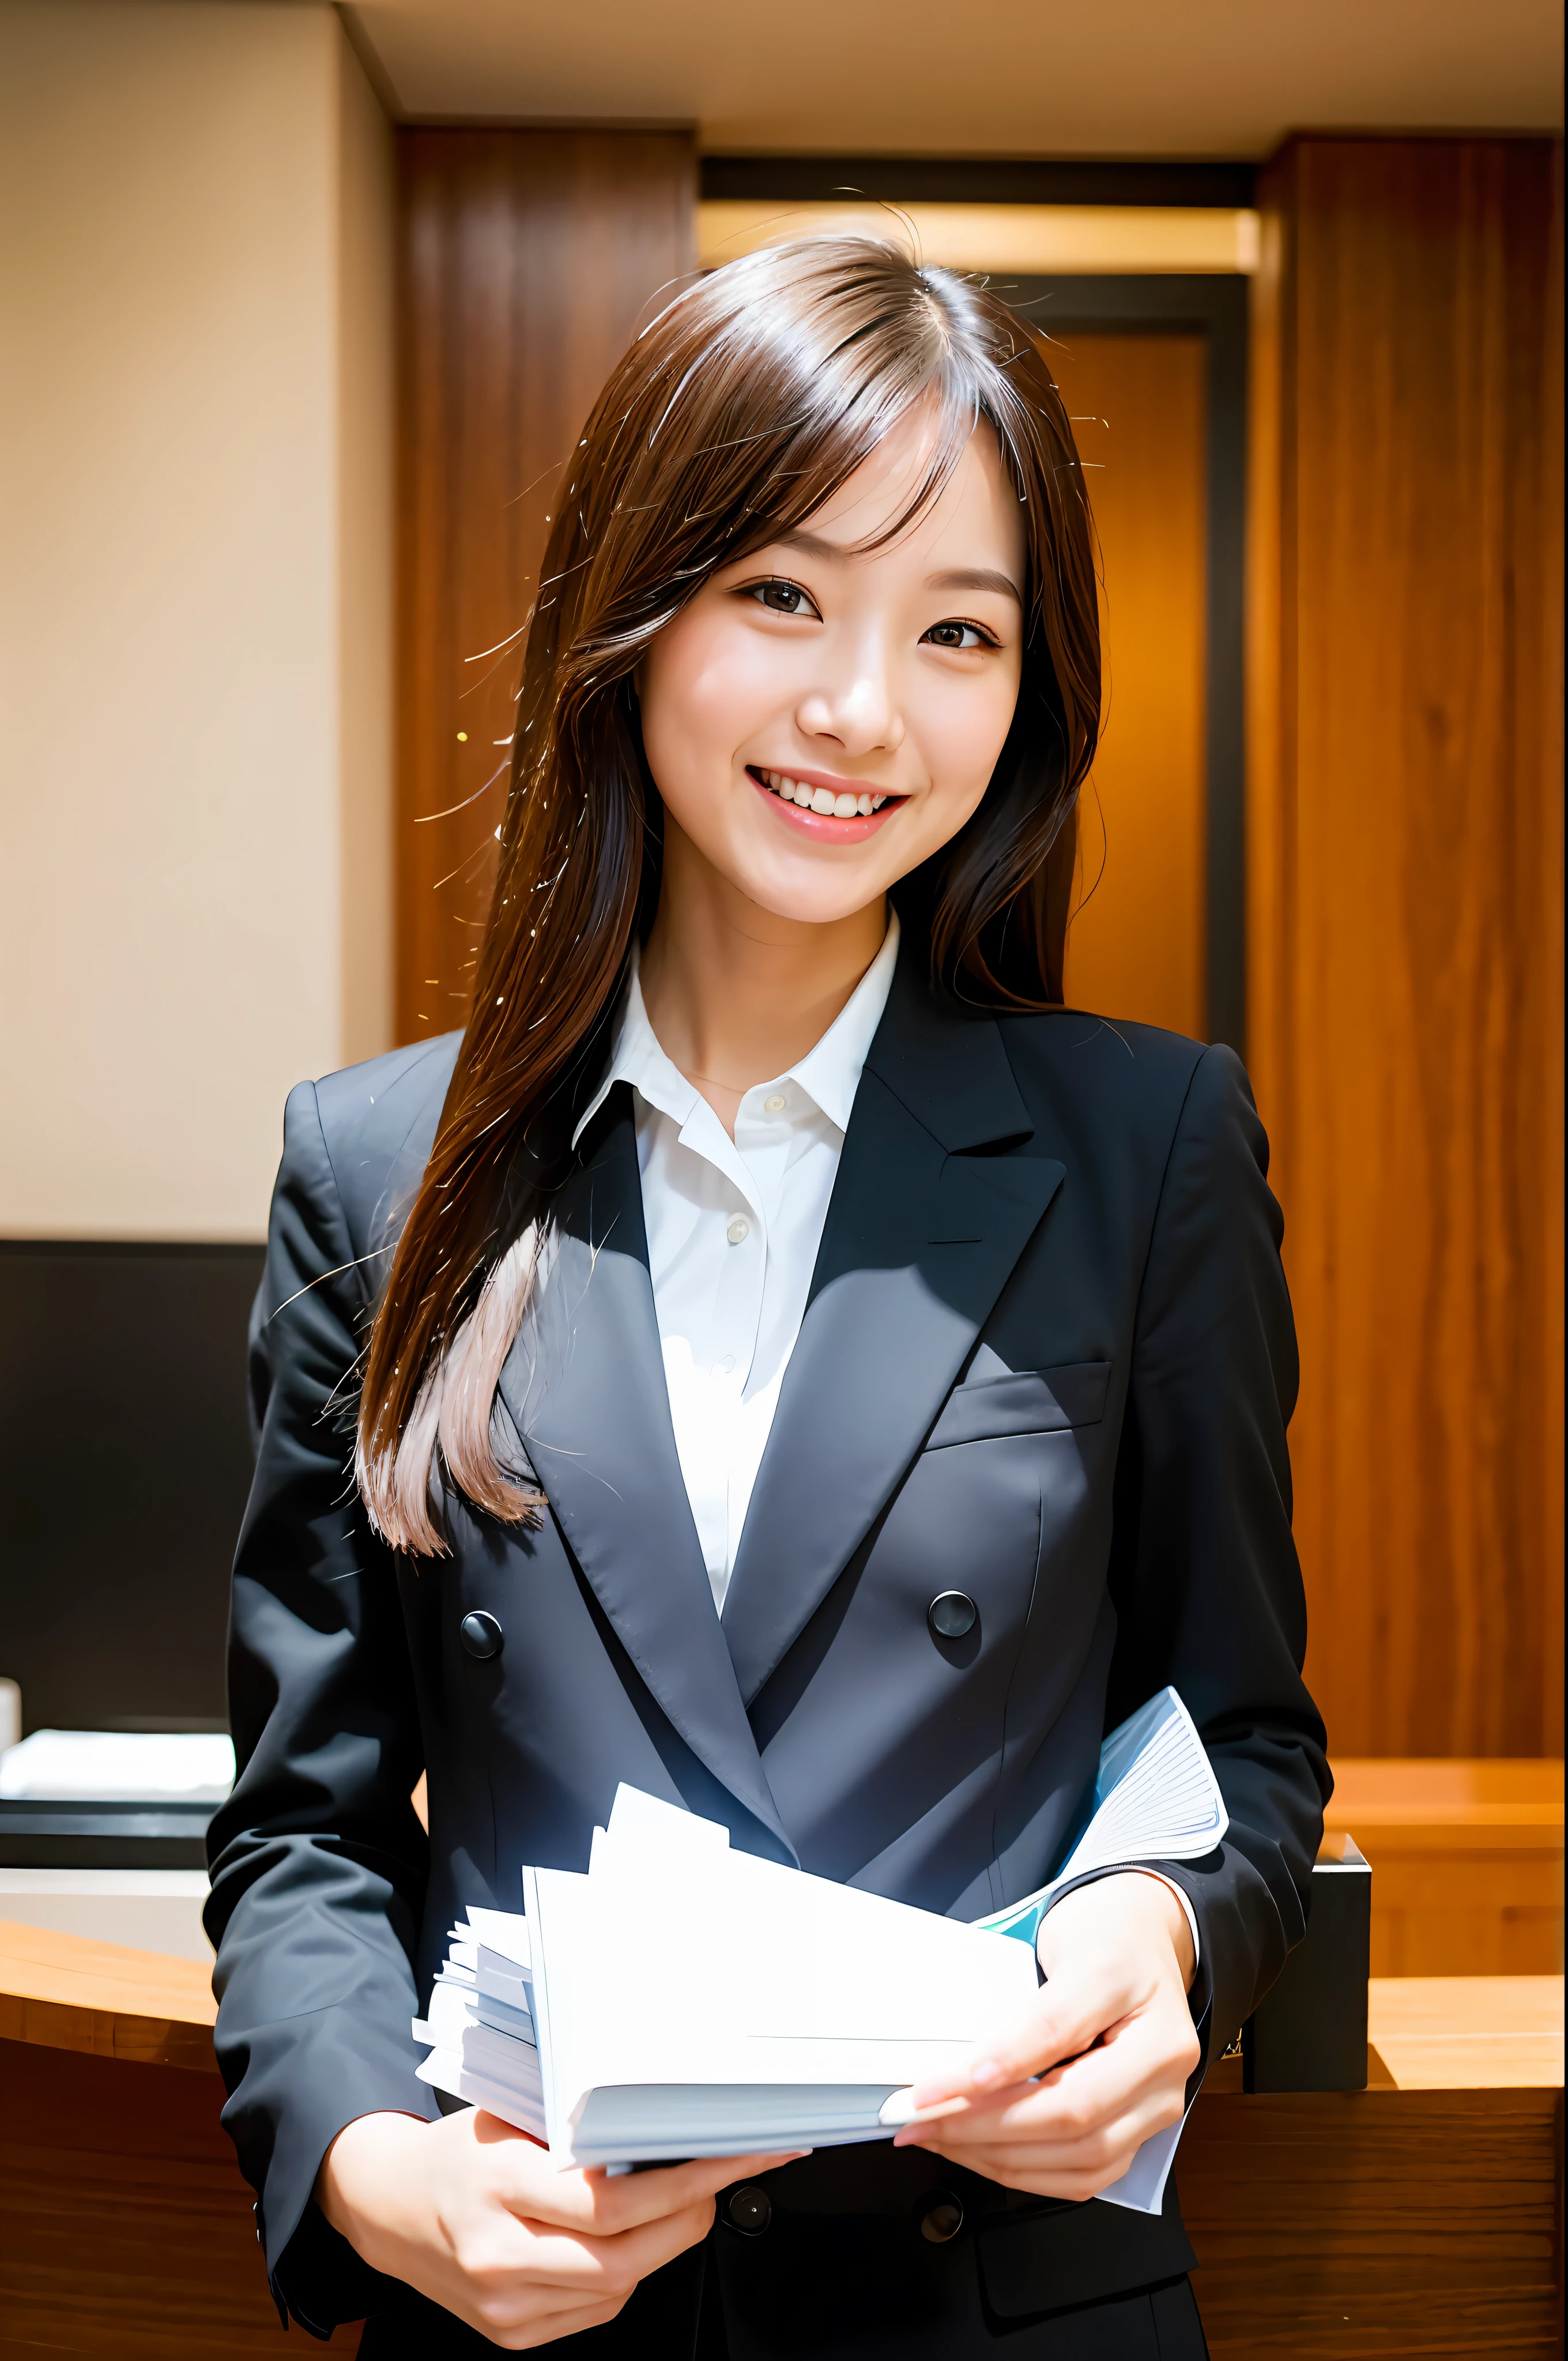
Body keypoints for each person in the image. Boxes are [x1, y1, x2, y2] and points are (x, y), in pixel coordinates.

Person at [206, 237, 1328, 2359]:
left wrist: (1168, 1936)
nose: (862, 709)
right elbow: (299, 1830)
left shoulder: (1149, 1145)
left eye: (960, 629)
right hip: (538, 2310)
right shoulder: (379, 1169)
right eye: (785, 593)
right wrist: (379, 2169)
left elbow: (1245, 1745)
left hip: (992, 2298)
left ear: (1030, 690)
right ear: (638, 619)